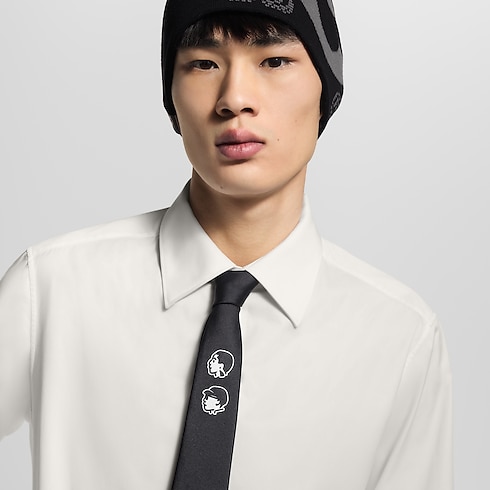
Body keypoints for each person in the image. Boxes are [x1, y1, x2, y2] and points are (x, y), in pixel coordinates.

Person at [0, 0, 453, 488]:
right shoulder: (51, 288)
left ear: (327, 90)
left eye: (274, 61)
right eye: (203, 64)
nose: (235, 99)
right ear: (172, 98)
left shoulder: (400, 336)